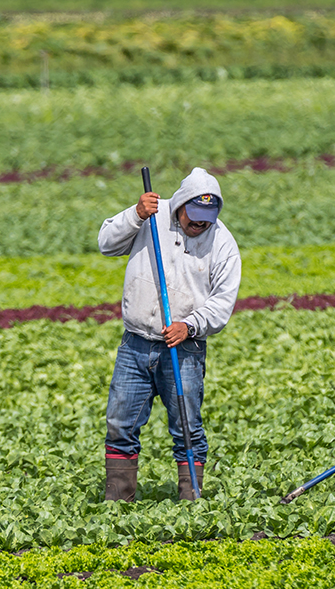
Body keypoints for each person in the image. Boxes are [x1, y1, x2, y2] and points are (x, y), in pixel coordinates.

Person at [97, 168, 241, 502]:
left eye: (208, 217)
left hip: (184, 348)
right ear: (179, 205)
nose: (200, 223)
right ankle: (117, 502)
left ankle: (191, 500)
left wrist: (190, 325)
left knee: (187, 428)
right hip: (135, 344)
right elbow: (106, 244)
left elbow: (222, 303)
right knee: (120, 424)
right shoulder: (152, 217)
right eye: (195, 215)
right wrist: (134, 214)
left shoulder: (223, 243)